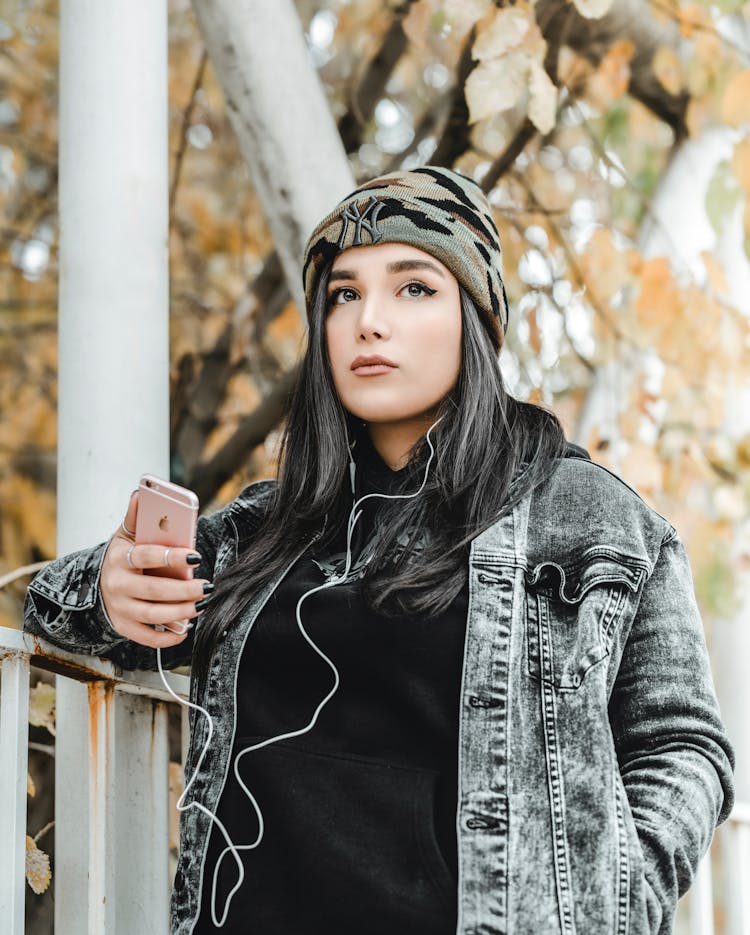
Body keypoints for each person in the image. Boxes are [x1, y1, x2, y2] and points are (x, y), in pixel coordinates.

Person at [24, 166, 734, 935]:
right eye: (344, 294)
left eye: (414, 287)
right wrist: (110, 585)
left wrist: (616, 901)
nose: (369, 321)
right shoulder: (271, 527)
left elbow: (684, 745)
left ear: (475, 316)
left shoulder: (596, 520)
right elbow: (47, 606)